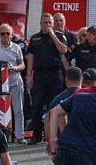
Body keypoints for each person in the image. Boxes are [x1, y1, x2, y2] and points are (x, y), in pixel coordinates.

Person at [26, 13, 69, 145]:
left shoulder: (60, 36)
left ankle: (54, 135)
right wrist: (29, 76)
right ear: (40, 23)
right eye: (45, 23)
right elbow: (30, 59)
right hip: (39, 75)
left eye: (50, 23)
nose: (48, 25)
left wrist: (53, 36)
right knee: (37, 105)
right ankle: (36, 135)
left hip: (54, 75)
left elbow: (64, 50)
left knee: (54, 105)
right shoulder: (35, 38)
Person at [0, 23, 26, 143]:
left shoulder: (16, 48)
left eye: (7, 33)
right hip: (0, 83)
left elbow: (22, 65)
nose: (5, 36)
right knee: (0, 110)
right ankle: (1, 136)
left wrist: (13, 68)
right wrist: (0, 68)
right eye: (2, 33)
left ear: (11, 35)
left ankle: (20, 136)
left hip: (15, 81)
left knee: (18, 110)